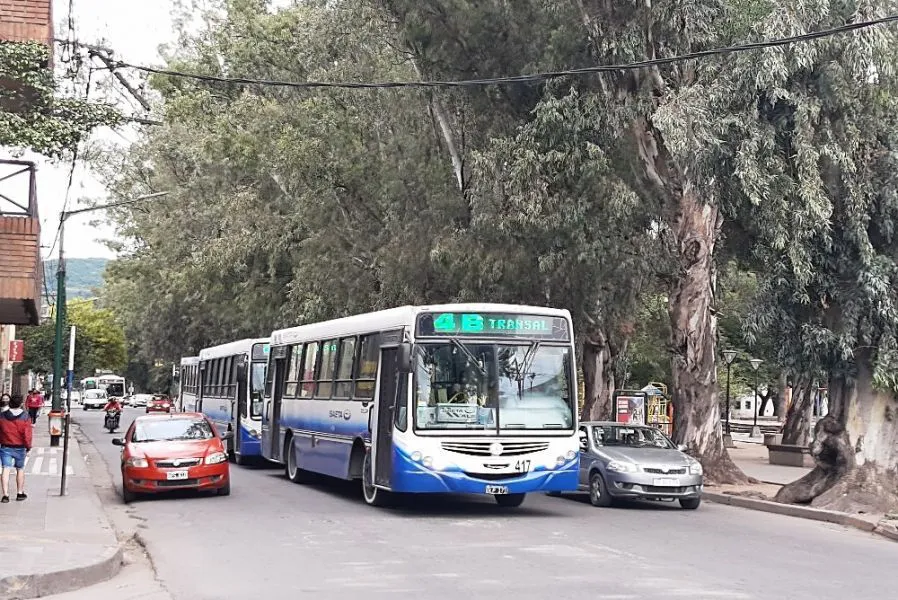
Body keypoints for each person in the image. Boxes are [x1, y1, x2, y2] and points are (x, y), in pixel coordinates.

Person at [0, 395, 32, 503]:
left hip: (5, 446)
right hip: (20, 447)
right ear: (21, 404)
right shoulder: (25, 417)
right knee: (20, 469)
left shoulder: (2, 416)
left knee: (5, 469)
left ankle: (5, 495)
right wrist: (28, 447)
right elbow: (27, 435)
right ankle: (20, 493)